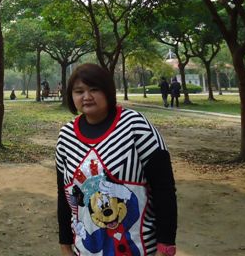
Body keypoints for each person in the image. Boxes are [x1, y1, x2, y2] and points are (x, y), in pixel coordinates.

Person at [56, 63, 177, 256]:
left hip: (141, 249)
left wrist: (166, 245)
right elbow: (64, 196)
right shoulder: (66, 136)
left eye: (94, 89)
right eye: (79, 91)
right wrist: (65, 244)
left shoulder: (136, 127)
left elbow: (164, 190)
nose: (86, 96)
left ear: (107, 91)